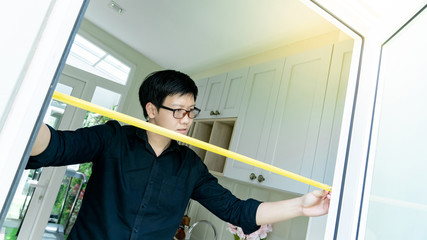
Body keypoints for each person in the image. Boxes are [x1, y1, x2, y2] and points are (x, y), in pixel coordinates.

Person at [28, 70, 331, 239]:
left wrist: (302, 206)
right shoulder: (111, 138)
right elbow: (54, 145)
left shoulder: (190, 166)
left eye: (191, 111)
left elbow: (238, 211)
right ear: (151, 110)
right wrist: (24, 111)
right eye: (178, 111)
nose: (187, 119)